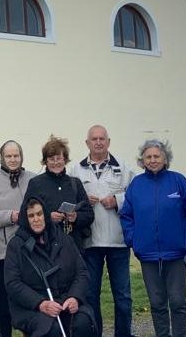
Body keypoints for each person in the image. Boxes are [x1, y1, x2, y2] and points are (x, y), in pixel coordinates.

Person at [120, 139, 186, 337]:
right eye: (148, 157)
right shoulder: (136, 185)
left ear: (165, 158)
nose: (153, 160)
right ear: (142, 160)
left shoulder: (179, 181)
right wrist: (133, 240)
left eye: (157, 156)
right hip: (148, 255)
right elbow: (127, 216)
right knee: (157, 303)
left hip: (176, 254)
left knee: (178, 302)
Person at [70, 125, 134, 337]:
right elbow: (69, 201)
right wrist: (81, 201)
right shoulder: (76, 170)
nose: (98, 142)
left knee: (123, 296)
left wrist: (117, 200)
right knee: (90, 295)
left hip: (118, 241)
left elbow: (135, 196)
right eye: (94, 139)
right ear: (87, 143)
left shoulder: (123, 168)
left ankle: (123, 334)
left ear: (108, 142)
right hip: (90, 243)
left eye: (102, 138)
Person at [4, 196, 95, 337]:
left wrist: (74, 297)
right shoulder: (16, 246)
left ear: (45, 215)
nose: (36, 219)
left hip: (65, 299)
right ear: (25, 219)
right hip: (34, 307)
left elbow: (81, 272)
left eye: (39, 214)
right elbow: (13, 283)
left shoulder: (63, 238)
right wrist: (40, 303)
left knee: (83, 323)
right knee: (51, 330)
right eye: (31, 216)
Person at [0, 140, 35, 337]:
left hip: (31, 252)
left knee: (30, 304)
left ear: (21, 156)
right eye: (9, 156)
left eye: (16, 155)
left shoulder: (33, 180)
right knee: (2, 307)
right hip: (3, 254)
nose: (13, 159)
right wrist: (9, 216)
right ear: (2, 158)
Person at [25, 135, 94, 252]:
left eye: (59, 158)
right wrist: (47, 218)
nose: (56, 162)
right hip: (46, 248)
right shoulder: (35, 183)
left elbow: (89, 214)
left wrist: (76, 217)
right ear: (45, 161)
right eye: (51, 159)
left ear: (65, 160)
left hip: (73, 247)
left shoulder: (75, 183)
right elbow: (25, 214)